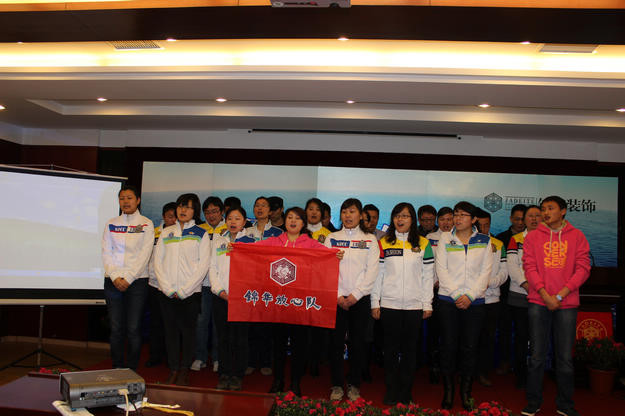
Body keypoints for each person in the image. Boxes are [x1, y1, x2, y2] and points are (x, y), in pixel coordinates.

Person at [255, 206, 343, 396]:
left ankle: (295, 382)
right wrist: (236, 248)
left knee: (299, 345)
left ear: (303, 223)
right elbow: (254, 250)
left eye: (297, 218)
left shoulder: (311, 244)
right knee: (278, 345)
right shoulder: (275, 241)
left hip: (300, 304)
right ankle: (278, 380)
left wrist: (336, 254)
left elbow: (328, 255)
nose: (292, 221)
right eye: (289, 218)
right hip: (279, 303)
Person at [522, 196, 590, 416]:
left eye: (550, 208)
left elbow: (583, 268)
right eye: (543, 208)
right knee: (537, 356)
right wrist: (544, 294)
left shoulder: (577, 236)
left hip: (566, 303)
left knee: (565, 358)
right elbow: (529, 267)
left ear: (563, 211)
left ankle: (565, 404)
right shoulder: (533, 237)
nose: (545, 212)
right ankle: (533, 402)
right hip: (538, 301)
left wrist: (560, 295)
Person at [371, 202, 434, 405]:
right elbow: (378, 275)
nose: (400, 219)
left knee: (410, 352)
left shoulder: (424, 243)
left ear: (412, 219)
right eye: (397, 215)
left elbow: (427, 276)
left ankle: (406, 392)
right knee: (389, 350)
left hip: (414, 306)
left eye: (405, 216)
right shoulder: (384, 242)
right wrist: (375, 302)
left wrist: (427, 304)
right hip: (389, 305)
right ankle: (391, 390)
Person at [435, 201, 493, 411]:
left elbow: (485, 272)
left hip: (474, 302)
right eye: (456, 214)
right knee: (448, 347)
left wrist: (469, 296)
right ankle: (449, 391)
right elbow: (441, 270)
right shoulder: (445, 238)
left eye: (463, 215)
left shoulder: (484, 241)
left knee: (470, 348)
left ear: (474, 219)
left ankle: (466, 392)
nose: (457, 219)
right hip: (448, 301)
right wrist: (457, 295)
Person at [324, 198, 380, 401]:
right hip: (336, 299)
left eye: (352, 211)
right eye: (344, 211)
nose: (348, 215)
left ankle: (355, 384)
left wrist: (355, 295)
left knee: (358, 344)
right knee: (335, 344)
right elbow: (326, 269)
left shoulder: (370, 239)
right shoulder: (331, 238)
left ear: (361, 215)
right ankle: (337, 385)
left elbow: (372, 271)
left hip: (360, 300)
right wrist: (338, 295)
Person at [153, 193, 211, 386]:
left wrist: (186, 290)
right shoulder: (166, 232)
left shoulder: (201, 234)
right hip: (166, 293)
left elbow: (203, 265)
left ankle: (185, 369)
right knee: (170, 332)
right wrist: (167, 288)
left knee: (188, 333)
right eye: (180, 206)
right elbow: (157, 262)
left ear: (195, 211)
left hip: (190, 294)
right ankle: (174, 369)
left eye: (187, 207)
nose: (183, 210)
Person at [101, 185, 154, 370]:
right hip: (112, 281)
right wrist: (115, 276)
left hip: (137, 282)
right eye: (122, 198)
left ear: (138, 200)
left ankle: (131, 369)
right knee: (116, 328)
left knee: (133, 328)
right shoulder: (111, 223)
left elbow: (145, 254)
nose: (125, 201)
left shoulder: (146, 224)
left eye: (129, 198)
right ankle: (117, 367)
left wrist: (129, 278)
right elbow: (106, 252)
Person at [209, 206, 256, 391]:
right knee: (223, 338)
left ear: (244, 222)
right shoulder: (218, 240)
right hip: (220, 297)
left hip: (241, 299)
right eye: (230, 218)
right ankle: (224, 373)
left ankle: (237, 375)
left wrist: (240, 293)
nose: (233, 222)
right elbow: (212, 267)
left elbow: (254, 272)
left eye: (237, 218)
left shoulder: (251, 242)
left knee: (240, 339)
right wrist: (220, 291)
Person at [245, 196, 283, 376]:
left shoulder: (278, 233)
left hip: (270, 285)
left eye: (263, 206)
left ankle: (267, 361)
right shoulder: (246, 232)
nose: (259, 208)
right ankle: (251, 361)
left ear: (270, 210)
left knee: (268, 325)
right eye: (257, 205)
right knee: (251, 325)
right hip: (250, 284)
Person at [507, 205, 541, 389]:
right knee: (521, 336)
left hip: (543, 297)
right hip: (520, 294)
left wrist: (541, 289)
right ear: (524, 219)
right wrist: (527, 285)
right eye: (530, 216)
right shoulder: (516, 239)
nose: (534, 219)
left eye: (537, 216)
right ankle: (520, 374)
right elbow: (513, 267)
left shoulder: (549, 239)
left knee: (539, 337)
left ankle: (537, 375)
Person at [191, 196, 228, 373]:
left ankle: (218, 358)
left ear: (222, 212)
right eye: (207, 212)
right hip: (203, 284)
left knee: (218, 324)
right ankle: (200, 357)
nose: (211, 215)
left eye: (214, 211)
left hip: (222, 286)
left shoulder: (229, 229)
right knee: (201, 322)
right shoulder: (199, 230)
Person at [475, 208, 508, 387]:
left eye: (486, 225)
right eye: (479, 225)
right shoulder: (468, 242)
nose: (483, 229)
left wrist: (490, 282)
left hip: (491, 299)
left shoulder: (499, 244)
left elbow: (504, 272)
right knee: (469, 339)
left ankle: (483, 372)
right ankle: (466, 372)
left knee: (487, 339)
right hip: (472, 299)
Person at [495, 204, 528, 375]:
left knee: (524, 332)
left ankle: (522, 365)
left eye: (523, 219)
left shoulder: (533, 238)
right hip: (504, 292)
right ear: (511, 219)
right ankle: (505, 361)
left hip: (524, 293)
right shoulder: (501, 238)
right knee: (504, 330)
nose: (520, 222)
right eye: (517, 219)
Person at [146, 201, 177, 368]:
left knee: (171, 323)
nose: (173, 220)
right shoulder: (154, 233)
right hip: (154, 284)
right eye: (170, 216)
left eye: (175, 217)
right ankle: (155, 355)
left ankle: (171, 356)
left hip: (173, 285)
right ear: (164, 217)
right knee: (155, 322)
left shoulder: (180, 234)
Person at [424, 206, 453, 384]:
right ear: (437, 221)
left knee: (450, 331)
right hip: (434, 291)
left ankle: (449, 366)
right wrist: (435, 281)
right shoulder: (430, 238)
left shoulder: (458, 238)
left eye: (449, 219)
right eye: (442, 219)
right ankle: (433, 366)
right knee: (434, 331)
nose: (446, 223)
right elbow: (427, 264)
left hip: (452, 291)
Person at [305, 197, 333, 377]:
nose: (314, 212)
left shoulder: (329, 235)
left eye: (317, 209)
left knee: (318, 328)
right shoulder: (299, 231)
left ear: (322, 213)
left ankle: (316, 361)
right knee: (302, 328)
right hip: (300, 286)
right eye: (310, 209)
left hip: (320, 287)